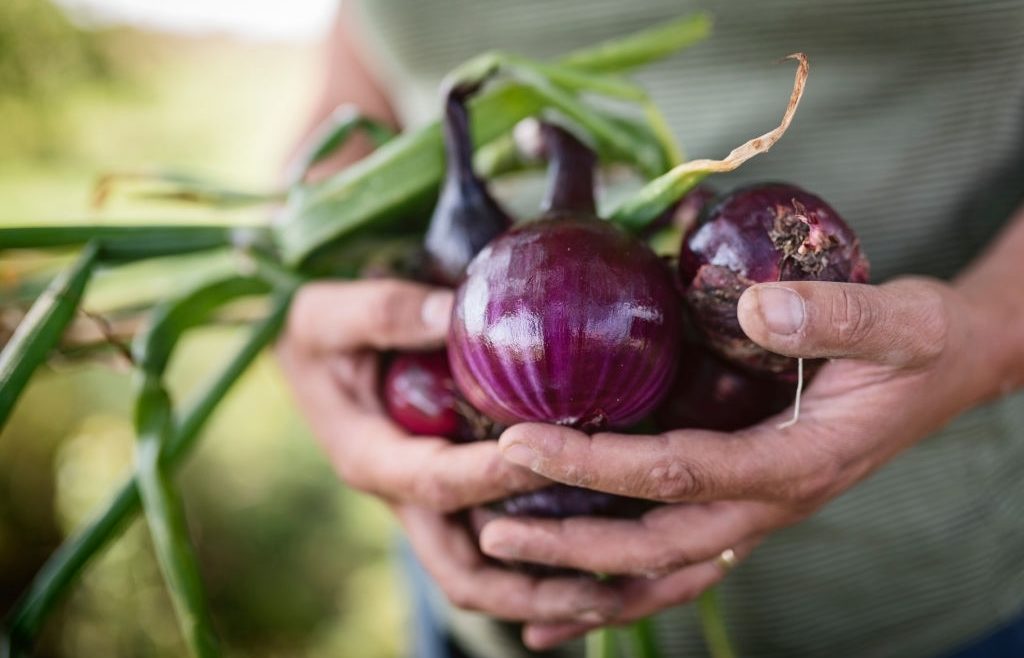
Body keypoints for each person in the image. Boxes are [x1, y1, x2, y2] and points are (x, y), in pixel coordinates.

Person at [278, 1, 1024, 656]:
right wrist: (308, 296)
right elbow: (357, 92)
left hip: (921, 598)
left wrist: (987, 335)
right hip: (471, 611)